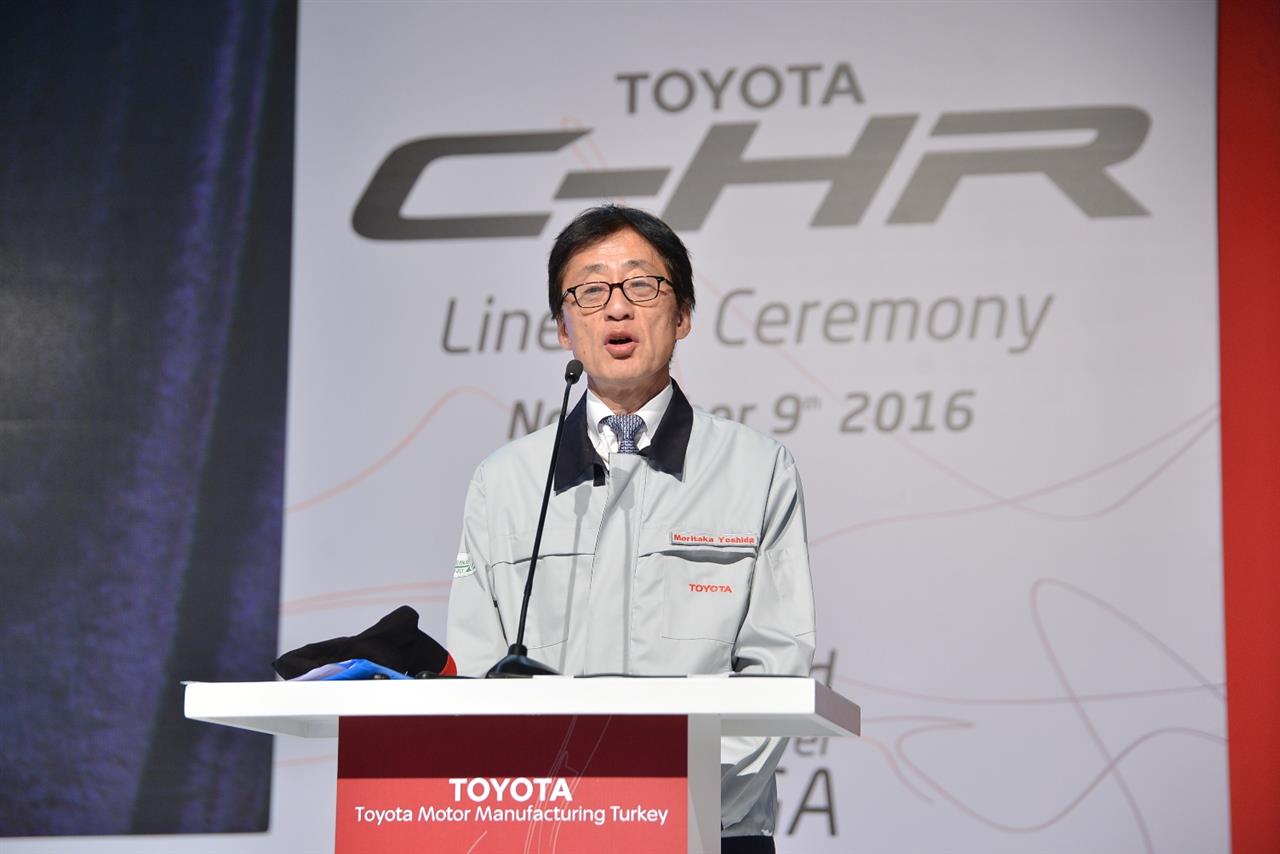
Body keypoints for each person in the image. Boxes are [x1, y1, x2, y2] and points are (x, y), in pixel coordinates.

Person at [446, 205, 816, 853]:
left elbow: (776, 669)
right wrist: (566, 805)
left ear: (683, 314)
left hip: (709, 828)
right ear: (563, 327)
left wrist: (662, 800)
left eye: (642, 285)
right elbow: (477, 668)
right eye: (589, 291)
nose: (616, 308)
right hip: (546, 831)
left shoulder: (757, 468)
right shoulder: (503, 482)